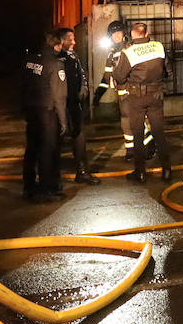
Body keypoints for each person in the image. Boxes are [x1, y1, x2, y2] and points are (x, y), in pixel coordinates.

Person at [112, 20, 172, 183]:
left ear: (132, 35)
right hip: (156, 95)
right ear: (147, 34)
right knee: (159, 133)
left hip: (136, 98)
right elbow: (168, 71)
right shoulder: (159, 47)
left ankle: (140, 172)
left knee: (137, 134)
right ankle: (167, 170)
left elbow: (119, 76)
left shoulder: (129, 52)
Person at [91, 20, 155, 162]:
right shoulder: (111, 54)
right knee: (125, 123)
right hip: (121, 94)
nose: (116, 36)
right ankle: (131, 150)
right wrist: (98, 95)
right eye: (113, 34)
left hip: (134, 91)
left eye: (118, 33)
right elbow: (107, 76)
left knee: (136, 121)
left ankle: (150, 146)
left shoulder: (131, 48)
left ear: (124, 33)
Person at [51, 27, 99, 185]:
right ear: (61, 41)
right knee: (55, 140)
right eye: (70, 39)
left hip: (74, 104)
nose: (74, 42)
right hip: (60, 105)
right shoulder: (55, 58)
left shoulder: (73, 56)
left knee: (79, 136)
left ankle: (82, 171)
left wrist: (83, 88)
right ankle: (52, 177)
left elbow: (81, 73)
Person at [20, 32, 64, 202]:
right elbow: (59, 95)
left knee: (31, 148)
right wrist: (63, 120)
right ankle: (46, 188)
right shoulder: (55, 63)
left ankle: (29, 186)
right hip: (47, 112)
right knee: (47, 149)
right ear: (57, 46)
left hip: (31, 110)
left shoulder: (29, 61)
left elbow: (22, 86)